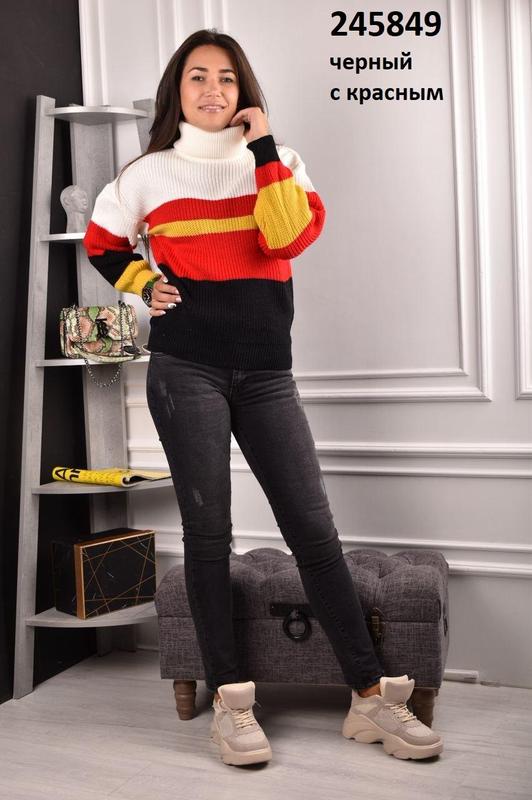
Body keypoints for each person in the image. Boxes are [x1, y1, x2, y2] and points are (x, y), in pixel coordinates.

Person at [82, 28, 443, 768]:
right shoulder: (148, 173)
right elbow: (101, 241)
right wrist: (143, 283)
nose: (212, 89)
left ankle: (368, 695)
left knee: (314, 533)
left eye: (226, 78)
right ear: (177, 91)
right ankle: (229, 700)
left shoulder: (280, 163)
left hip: (268, 375)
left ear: (244, 92)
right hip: (185, 370)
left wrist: (266, 148)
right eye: (197, 77)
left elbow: (286, 239)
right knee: (207, 535)